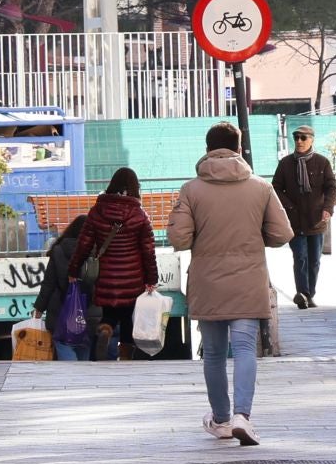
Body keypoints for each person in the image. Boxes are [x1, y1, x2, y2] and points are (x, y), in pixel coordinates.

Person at [170, 123, 293, 447]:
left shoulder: (191, 190)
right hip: (248, 278)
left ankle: (221, 420)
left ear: (208, 148)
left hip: (208, 281)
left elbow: (179, 238)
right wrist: (253, 237)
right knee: (243, 348)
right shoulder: (260, 188)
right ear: (239, 149)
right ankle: (243, 416)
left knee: (212, 353)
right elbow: (282, 234)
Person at [72, 168, 159, 361]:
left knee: (110, 314)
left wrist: (73, 269)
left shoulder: (97, 211)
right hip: (132, 278)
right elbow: (148, 250)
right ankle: (126, 357)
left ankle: (105, 329)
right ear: (135, 187)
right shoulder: (139, 214)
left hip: (107, 278)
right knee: (129, 318)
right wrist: (152, 278)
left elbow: (84, 243)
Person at [272, 126, 336, 309]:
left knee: (314, 260)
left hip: (316, 220)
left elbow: (331, 187)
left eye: (303, 138)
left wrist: (328, 208)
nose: (299, 141)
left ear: (311, 140)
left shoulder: (322, 162)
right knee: (300, 257)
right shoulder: (285, 164)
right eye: (296, 137)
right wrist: (289, 205)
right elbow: (275, 187)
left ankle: (309, 294)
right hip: (294, 220)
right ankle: (302, 294)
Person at [33, 216, 93, 361]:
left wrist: (39, 309)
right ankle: (81, 381)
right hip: (88, 312)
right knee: (84, 348)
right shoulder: (95, 251)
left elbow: (49, 283)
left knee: (64, 346)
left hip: (61, 312)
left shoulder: (59, 250)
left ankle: (71, 380)